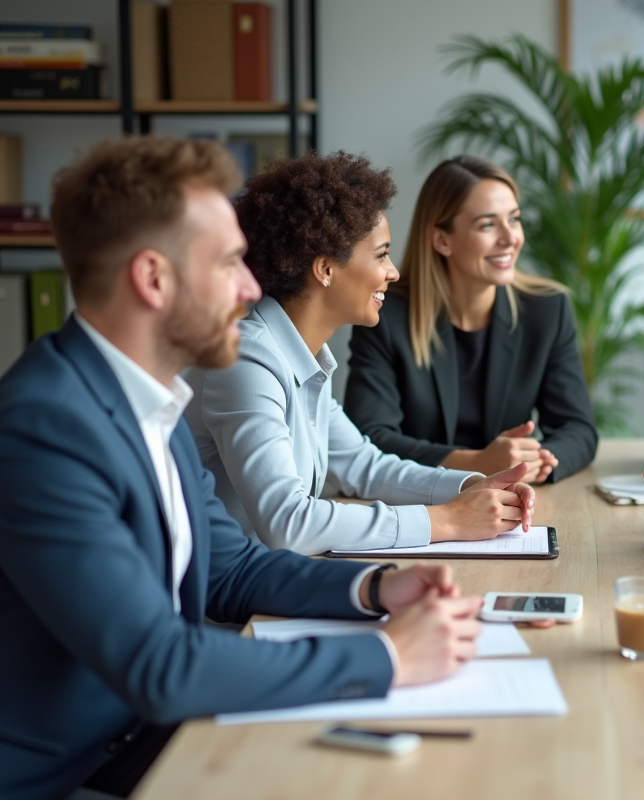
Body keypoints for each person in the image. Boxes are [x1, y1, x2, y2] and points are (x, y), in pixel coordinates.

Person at [0, 137, 484, 800]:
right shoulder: (46, 427)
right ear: (153, 278)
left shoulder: (149, 394)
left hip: (151, 739)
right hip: (75, 772)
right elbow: (160, 666)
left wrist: (377, 589)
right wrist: (389, 655)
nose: (254, 286)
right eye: (229, 263)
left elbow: (233, 568)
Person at [184, 151, 536, 556]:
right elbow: (288, 523)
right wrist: (451, 519)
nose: (393, 272)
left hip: (261, 581)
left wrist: (471, 485)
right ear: (326, 269)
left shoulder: (305, 357)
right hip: (222, 604)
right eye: (382, 254)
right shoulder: (245, 362)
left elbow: (365, 467)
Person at [344, 155, 597, 484]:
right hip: (420, 501)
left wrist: (531, 464)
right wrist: (476, 463)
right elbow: (370, 437)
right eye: (488, 225)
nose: (511, 238)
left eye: (515, 219)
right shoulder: (385, 315)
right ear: (442, 240)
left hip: (513, 499)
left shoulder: (547, 310)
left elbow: (578, 430)